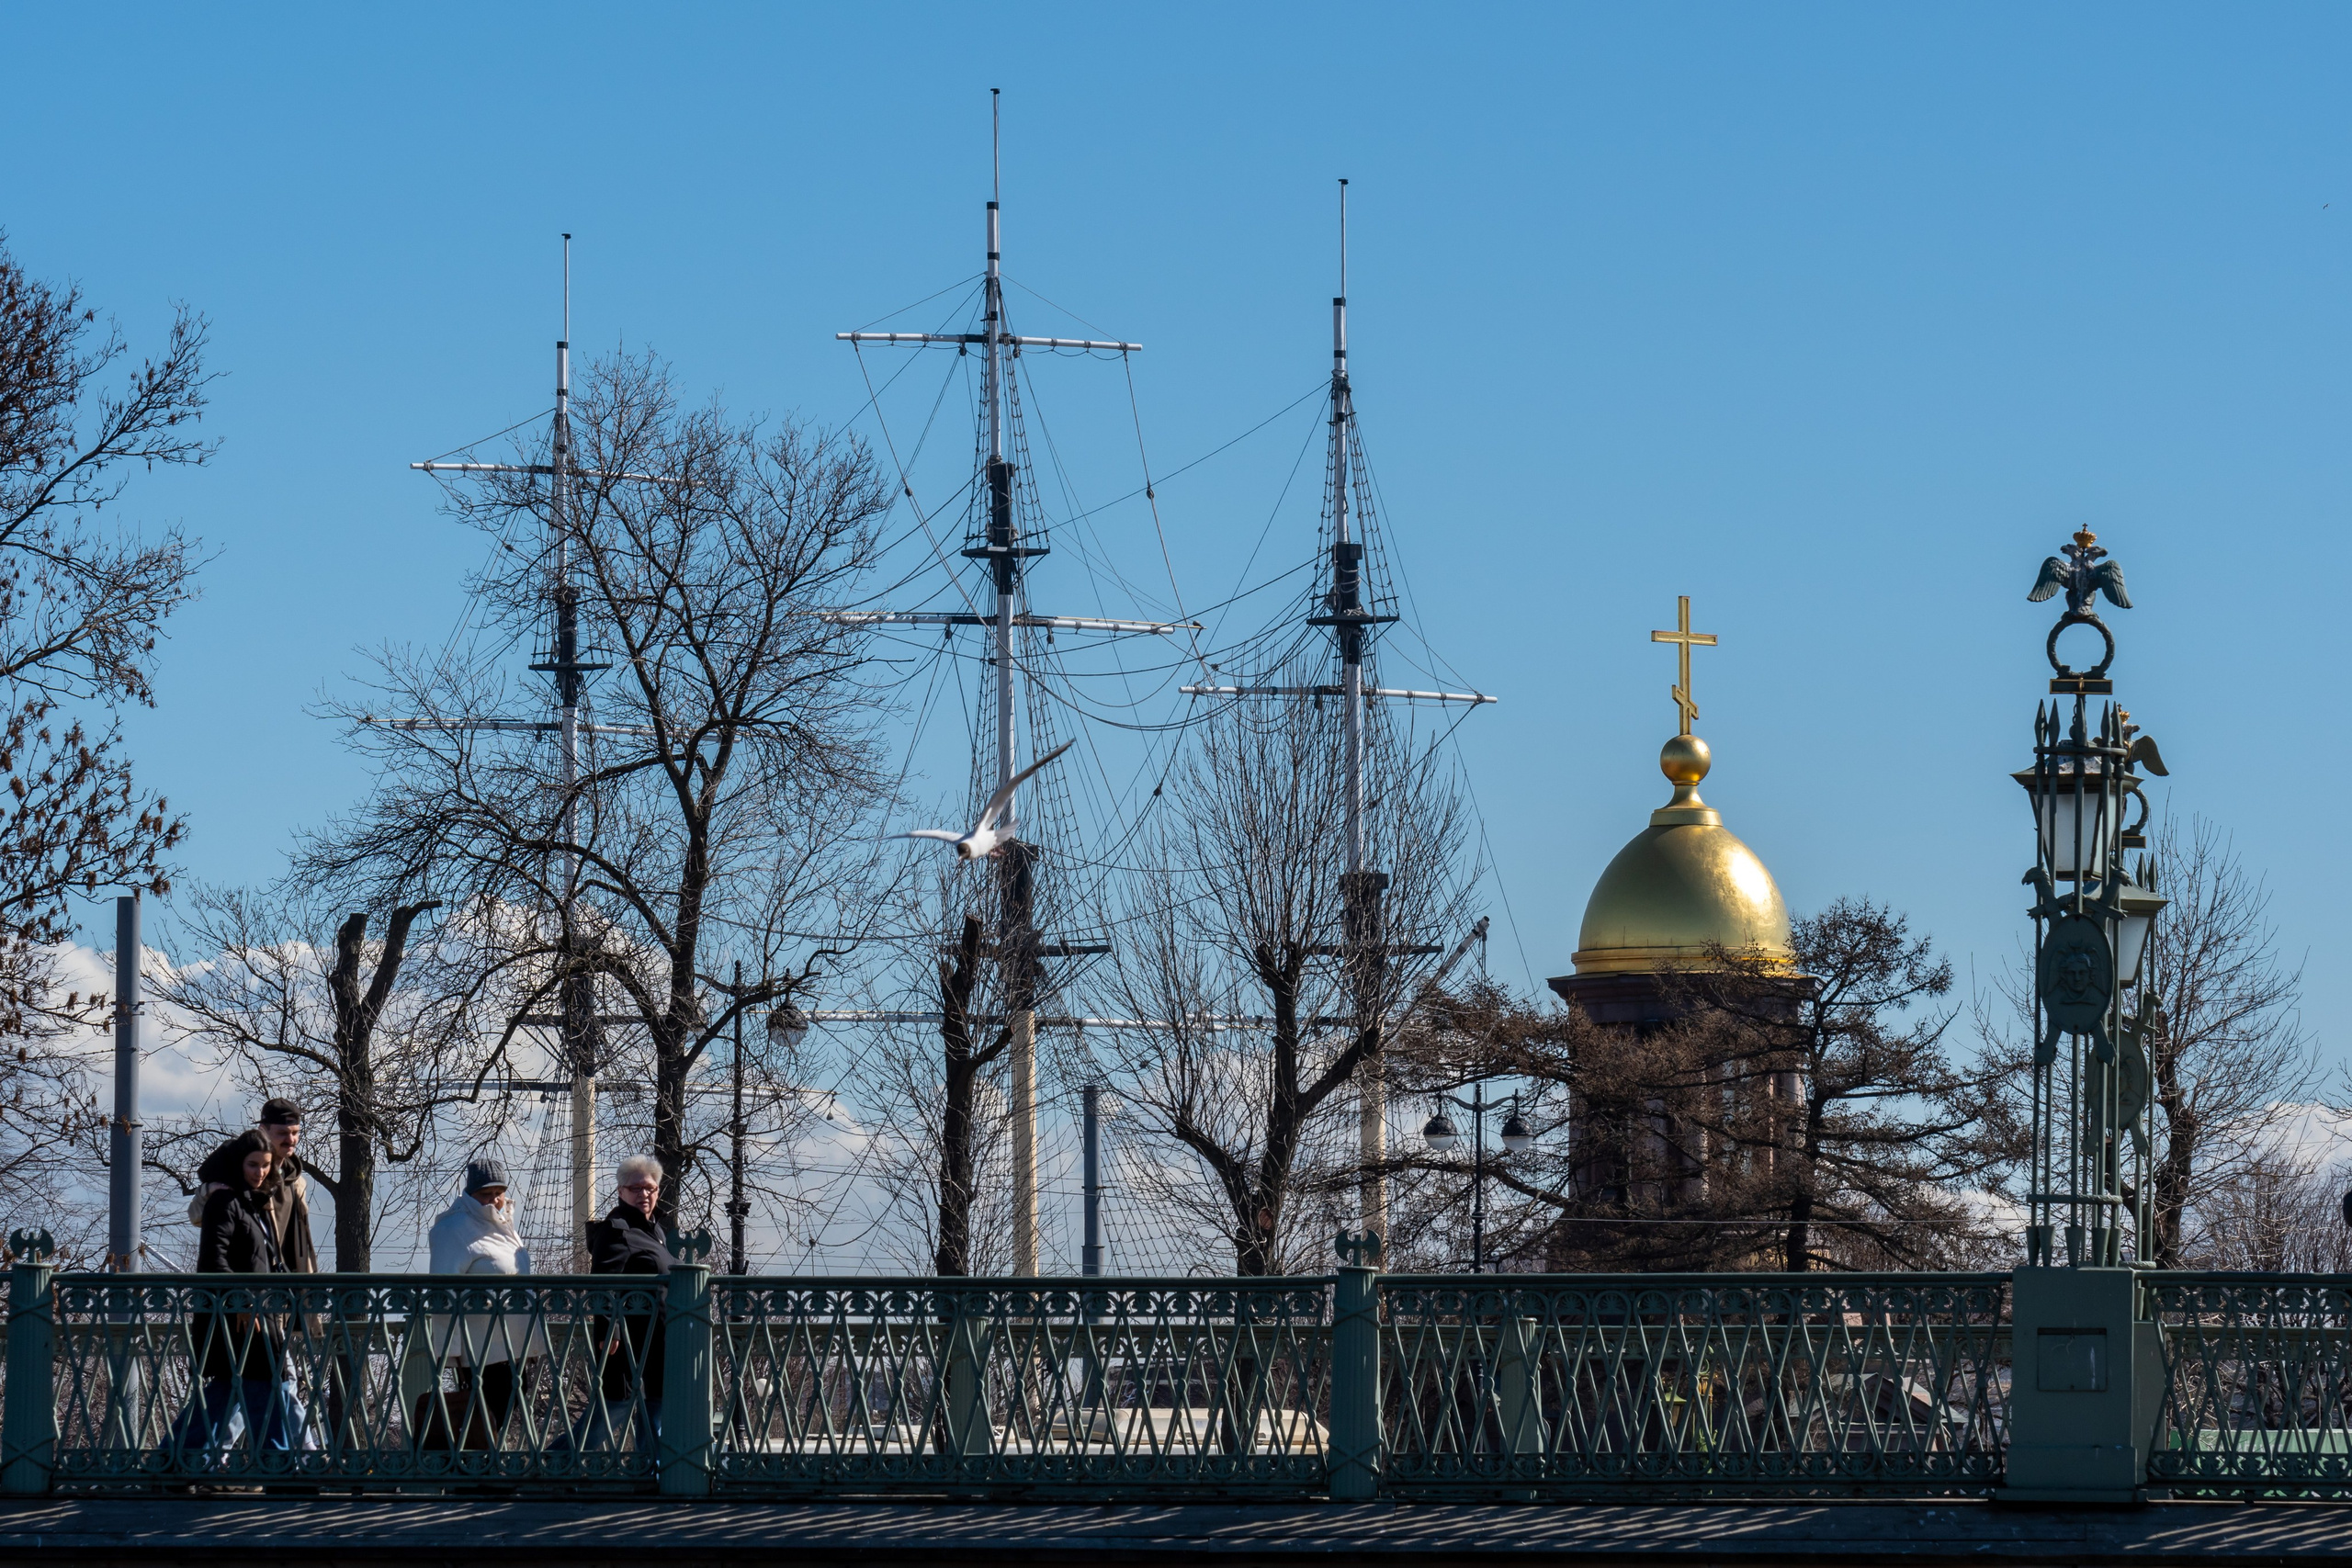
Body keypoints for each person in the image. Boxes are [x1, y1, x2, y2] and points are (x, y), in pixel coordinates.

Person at [173, 1131, 294, 1461]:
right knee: (263, 1389)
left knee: (230, 1391)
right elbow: (214, 1258)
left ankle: (175, 1460)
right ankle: (281, 1464)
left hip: (251, 1313)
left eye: (266, 1166)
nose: (260, 1172)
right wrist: (241, 1299)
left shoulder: (247, 1202)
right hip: (240, 1317)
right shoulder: (226, 1202)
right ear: (237, 1164)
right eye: (253, 1164)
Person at [420, 1159, 535, 1449]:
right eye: (486, 1194)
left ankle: (481, 1470)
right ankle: (475, 1474)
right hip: (481, 1342)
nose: (495, 1200)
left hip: (512, 1338)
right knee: (486, 1409)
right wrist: (450, 1349)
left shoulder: (502, 1222)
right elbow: (443, 1290)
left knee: (504, 1402)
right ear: (470, 1194)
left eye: (499, 1192)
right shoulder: (454, 1228)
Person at [584, 1154, 676, 1453]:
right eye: (635, 1188)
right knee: (612, 1412)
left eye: (649, 1188)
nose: (643, 1194)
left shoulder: (655, 1231)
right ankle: (552, 1466)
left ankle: (650, 1474)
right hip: (628, 1344)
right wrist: (606, 1330)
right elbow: (603, 1283)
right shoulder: (617, 1230)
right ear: (621, 1192)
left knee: (654, 1413)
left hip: (658, 1342)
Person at [188, 1098, 319, 1276]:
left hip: (287, 1289)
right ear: (263, 1131)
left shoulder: (296, 1182)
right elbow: (197, 1217)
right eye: (282, 1133)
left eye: (295, 1133)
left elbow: (301, 1244)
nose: (291, 1139)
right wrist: (208, 1191)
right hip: (250, 1292)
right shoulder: (240, 1179)